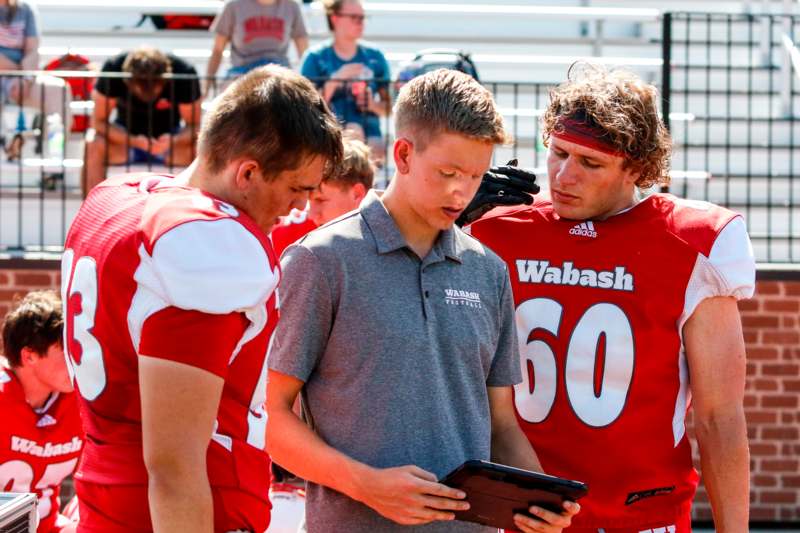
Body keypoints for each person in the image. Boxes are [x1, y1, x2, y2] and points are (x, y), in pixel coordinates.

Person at [266, 69, 578, 533]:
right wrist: (366, 485)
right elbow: (271, 419)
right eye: (448, 173)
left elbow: (500, 424)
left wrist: (537, 497)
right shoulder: (321, 260)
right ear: (404, 154)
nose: (462, 191)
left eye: (475, 176)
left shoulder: (488, 270)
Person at [468, 64, 755, 532]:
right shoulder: (495, 227)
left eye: (590, 162)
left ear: (636, 168)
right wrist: (443, 210)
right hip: (521, 515)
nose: (564, 175)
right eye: (558, 152)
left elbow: (719, 418)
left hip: (642, 517)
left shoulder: (693, 243)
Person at [62, 65, 342, 533]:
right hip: (184, 512)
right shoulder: (207, 244)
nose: (298, 207)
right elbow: (174, 467)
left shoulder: (115, 198)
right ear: (248, 172)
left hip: (103, 498)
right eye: (297, 189)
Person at [0, 290, 81, 533]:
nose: (76, 359)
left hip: (46, 525)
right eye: (65, 351)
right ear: (30, 356)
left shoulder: (79, 401)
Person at [83, 46, 202, 196]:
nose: (149, 93)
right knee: (92, 142)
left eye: (154, 87)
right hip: (124, 141)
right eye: (142, 88)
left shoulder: (183, 72)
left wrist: (173, 140)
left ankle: (198, 211)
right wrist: (133, 141)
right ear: (127, 80)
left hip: (170, 144)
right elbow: (98, 122)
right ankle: (93, 212)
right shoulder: (113, 69)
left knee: (201, 146)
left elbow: (195, 126)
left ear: (165, 78)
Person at [301, 0, 390, 161]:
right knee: (353, 135)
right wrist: (335, 80)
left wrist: (372, 104)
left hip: (371, 139)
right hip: (328, 137)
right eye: (354, 17)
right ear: (335, 18)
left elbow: (390, 107)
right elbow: (305, 107)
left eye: (363, 18)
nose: (361, 22)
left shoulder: (375, 57)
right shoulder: (315, 58)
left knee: (371, 144)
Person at [271, 136, 374, 257]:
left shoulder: (391, 235)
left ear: (357, 194)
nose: (311, 214)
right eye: (309, 201)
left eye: (320, 200)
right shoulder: (284, 233)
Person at [0, 0, 72, 159]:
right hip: (12, 74)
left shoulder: (25, 9)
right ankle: (9, 144)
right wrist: (19, 71)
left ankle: (52, 158)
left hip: (23, 77)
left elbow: (33, 49)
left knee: (59, 90)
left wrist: (25, 78)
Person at [206, 0, 309, 95]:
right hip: (241, 74)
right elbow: (217, 50)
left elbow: (304, 52)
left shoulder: (292, 7)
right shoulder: (233, 6)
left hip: (280, 74)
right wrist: (206, 88)